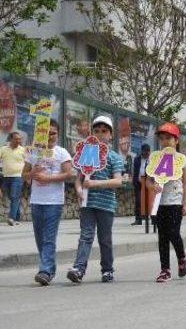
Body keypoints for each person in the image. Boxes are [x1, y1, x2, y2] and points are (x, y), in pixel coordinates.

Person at [66, 116, 124, 284]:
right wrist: (78, 190)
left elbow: (118, 181)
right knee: (85, 236)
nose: (100, 134)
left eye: (104, 131)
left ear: (111, 135)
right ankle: (79, 268)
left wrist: (95, 183)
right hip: (87, 204)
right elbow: (79, 179)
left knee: (105, 239)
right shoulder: (87, 153)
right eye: (96, 131)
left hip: (106, 205)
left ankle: (107, 270)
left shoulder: (114, 157)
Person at [22, 120, 73, 285]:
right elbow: (24, 174)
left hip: (54, 201)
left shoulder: (62, 152)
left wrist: (47, 178)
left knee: (49, 238)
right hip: (36, 200)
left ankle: (45, 270)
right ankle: (49, 268)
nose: (50, 136)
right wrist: (33, 173)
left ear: (58, 134)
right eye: (47, 132)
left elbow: (68, 174)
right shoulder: (34, 152)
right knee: (40, 238)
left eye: (53, 133)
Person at [148, 123, 186, 283]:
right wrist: (153, 186)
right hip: (160, 203)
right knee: (162, 237)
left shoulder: (182, 160)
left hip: (175, 202)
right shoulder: (155, 159)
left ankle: (182, 258)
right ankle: (165, 269)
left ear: (176, 141)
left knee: (173, 233)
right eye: (162, 139)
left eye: (169, 138)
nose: (165, 141)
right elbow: (148, 182)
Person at [0, 131, 26, 226]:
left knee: (14, 196)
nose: (18, 141)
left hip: (18, 177)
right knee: (12, 198)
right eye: (16, 139)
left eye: (19, 139)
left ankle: (12, 218)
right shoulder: (3, 149)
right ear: (11, 139)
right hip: (6, 177)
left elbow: (28, 162)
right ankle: (17, 217)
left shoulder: (23, 150)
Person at [131, 144, 150, 225]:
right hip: (138, 183)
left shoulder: (151, 160)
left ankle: (148, 217)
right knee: (138, 201)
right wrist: (134, 181)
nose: (147, 153)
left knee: (148, 201)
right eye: (145, 151)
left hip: (149, 183)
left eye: (148, 151)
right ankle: (138, 220)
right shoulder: (137, 159)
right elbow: (134, 171)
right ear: (142, 151)